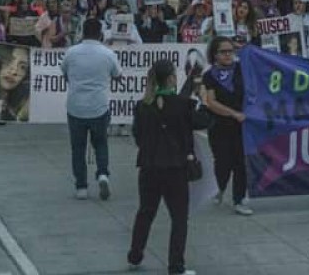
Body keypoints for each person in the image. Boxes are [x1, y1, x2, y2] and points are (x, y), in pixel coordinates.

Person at [127, 60, 197, 275]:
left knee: (146, 212)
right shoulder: (182, 104)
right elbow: (203, 122)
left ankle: (135, 255)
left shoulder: (142, 105)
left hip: (149, 165)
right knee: (179, 218)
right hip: (175, 167)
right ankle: (176, 265)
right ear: (171, 79)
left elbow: (138, 135)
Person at [61, 18, 123, 199]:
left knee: (78, 148)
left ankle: (81, 187)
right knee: (101, 143)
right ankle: (103, 174)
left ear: (83, 32)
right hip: (99, 106)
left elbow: (65, 74)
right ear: (101, 34)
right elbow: (118, 75)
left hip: (75, 107)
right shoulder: (108, 54)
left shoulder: (71, 52)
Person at [203, 36, 253, 216]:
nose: (227, 55)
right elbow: (211, 101)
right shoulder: (209, 75)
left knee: (241, 163)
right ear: (215, 55)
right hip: (219, 125)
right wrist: (233, 113)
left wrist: (244, 48)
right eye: (223, 52)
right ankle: (220, 187)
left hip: (241, 126)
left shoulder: (241, 69)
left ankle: (239, 199)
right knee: (223, 162)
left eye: (230, 51)